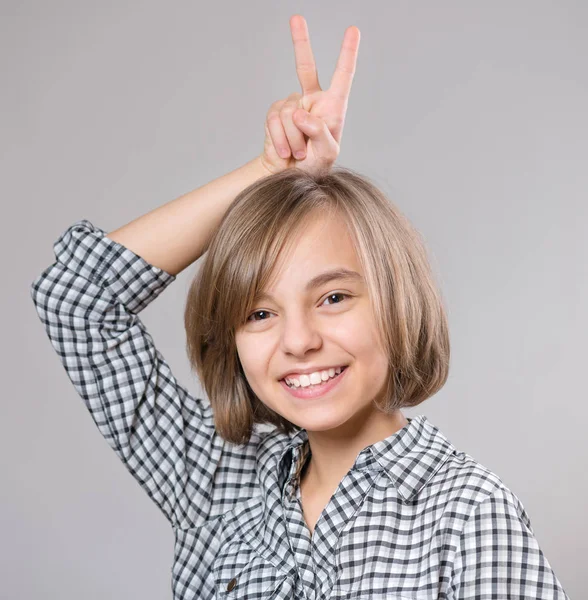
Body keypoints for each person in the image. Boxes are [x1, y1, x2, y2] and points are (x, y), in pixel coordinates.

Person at [30, 14, 570, 600]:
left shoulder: (466, 516)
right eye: (260, 313)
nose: (298, 340)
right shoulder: (220, 485)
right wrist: (268, 174)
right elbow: (77, 296)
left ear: (396, 304)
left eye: (333, 298)